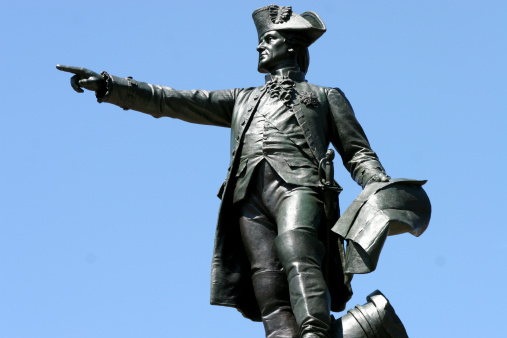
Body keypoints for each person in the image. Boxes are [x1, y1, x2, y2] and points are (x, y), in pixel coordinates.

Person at [57, 5, 390, 338]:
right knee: (267, 282)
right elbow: (172, 100)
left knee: (296, 248)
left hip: (300, 185)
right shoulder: (241, 99)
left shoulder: (324, 96)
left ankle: (315, 333)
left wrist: (377, 180)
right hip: (248, 197)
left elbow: (357, 151)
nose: (259, 46)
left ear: (291, 46)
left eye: (268, 39)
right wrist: (108, 85)